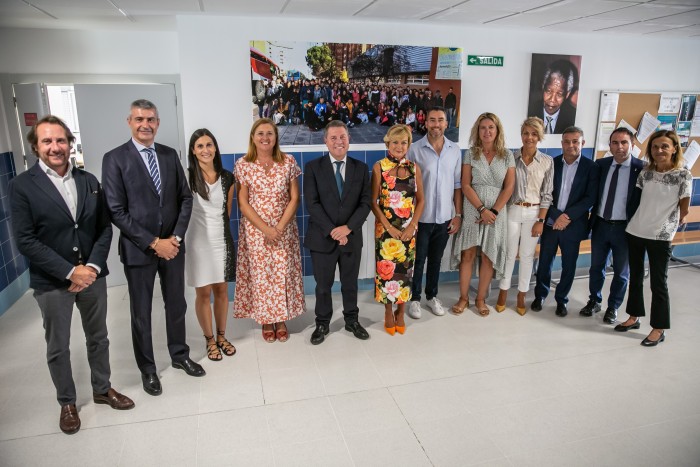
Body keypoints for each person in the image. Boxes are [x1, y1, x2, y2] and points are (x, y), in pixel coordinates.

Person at [10, 116, 134, 435]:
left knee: (98, 337)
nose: (55, 147)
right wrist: (69, 271)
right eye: (47, 141)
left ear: (70, 143)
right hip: (53, 282)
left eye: (61, 140)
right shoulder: (22, 186)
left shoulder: (89, 181)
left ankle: (102, 389)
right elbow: (25, 239)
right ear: (36, 147)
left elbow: (103, 228)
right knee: (58, 345)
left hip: (92, 277)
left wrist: (90, 267)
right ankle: (67, 401)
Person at [103, 99, 203, 398]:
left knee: (176, 305)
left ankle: (180, 354)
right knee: (141, 313)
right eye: (139, 119)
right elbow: (115, 210)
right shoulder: (115, 158)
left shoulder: (169, 155)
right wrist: (152, 242)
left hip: (172, 247)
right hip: (139, 250)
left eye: (151, 119)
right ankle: (147, 369)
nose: (145, 124)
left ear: (158, 123)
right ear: (129, 122)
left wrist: (175, 238)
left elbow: (186, 198)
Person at [614, 130, 691, 346]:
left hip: (661, 235)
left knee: (658, 283)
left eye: (665, 146)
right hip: (637, 230)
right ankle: (633, 317)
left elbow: (683, 209)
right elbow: (636, 202)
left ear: (674, 148)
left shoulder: (683, 175)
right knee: (635, 277)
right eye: (655, 147)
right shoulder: (645, 173)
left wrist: (675, 222)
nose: (659, 151)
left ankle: (659, 328)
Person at [233, 118, 305, 342]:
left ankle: (281, 318)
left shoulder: (288, 162)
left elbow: (295, 197)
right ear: (253, 138)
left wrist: (279, 227)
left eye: (270, 134)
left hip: (284, 228)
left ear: (276, 137)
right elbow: (242, 202)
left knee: (282, 273)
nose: (265, 138)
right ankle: (266, 320)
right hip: (256, 232)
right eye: (260, 134)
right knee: (262, 275)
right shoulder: (243, 164)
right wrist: (265, 229)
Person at [304, 121, 372, 345]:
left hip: (351, 237)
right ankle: (322, 322)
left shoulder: (361, 168)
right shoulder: (313, 168)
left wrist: (348, 228)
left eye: (342, 137)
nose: (338, 142)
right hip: (322, 238)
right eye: (333, 138)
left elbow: (365, 203)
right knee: (323, 285)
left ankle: (352, 320)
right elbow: (312, 204)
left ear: (349, 139)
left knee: (350, 283)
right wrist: (333, 231)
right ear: (325, 141)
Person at [451, 112, 515, 316]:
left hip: (497, 212)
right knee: (467, 253)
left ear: (497, 131)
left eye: (491, 127)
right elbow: (466, 184)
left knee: (488, 255)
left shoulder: (507, 155)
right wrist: (481, 209)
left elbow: (509, 187)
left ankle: (480, 299)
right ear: (477, 131)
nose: (487, 131)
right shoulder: (470, 153)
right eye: (483, 128)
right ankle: (463, 298)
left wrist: (493, 211)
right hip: (473, 208)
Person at [532, 126, 599, 316]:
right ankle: (540, 295)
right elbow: (544, 193)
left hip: (573, 225)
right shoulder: (552, 164)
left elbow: (590, 198)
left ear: (582, 143)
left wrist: (567, 216)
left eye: (575, 141)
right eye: (567, 141)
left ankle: (562, 299)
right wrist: (555, 215)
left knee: (569, 265)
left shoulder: (591, 167)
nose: (571, 145)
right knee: (545, 262)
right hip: (552, 222)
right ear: (561, 144)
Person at [580, 127, 644, 324]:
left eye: (624, 143)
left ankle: (613, 306)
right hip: (601, 224)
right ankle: (594, 300)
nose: (620, 147)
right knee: (596, 267)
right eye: (615, 143)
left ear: (632, 145)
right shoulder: (601, 165)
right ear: (609, 146)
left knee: (621, 272)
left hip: (625, 229)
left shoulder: (641, 169)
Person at [185, 129, 237, 361]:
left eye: (209, 145)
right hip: (198, 242)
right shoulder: (187, 177)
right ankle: (209, 340)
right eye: (200, 146)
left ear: (215, 148)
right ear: (193, 152)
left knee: (222, 291)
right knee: (203, 293)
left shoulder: (227, 177)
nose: (205, 150)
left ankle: (222, 336)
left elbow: (227, 212)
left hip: (221, 241)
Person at [406, 107, 462, 320]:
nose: (436, 124)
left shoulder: (454, 150)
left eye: (440, 120)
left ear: (446, 123)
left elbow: (457, 185)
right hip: (422, 217)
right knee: (418, 260)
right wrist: (411, 219)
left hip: (444, 217)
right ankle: (415, 299)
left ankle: (431, 296)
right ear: (426, 123)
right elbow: (408, 186)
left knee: (436, 260)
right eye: (432, 120)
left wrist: (457, 215)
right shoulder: (414, 149)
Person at [496, 117, 554, 315]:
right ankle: (503, 292)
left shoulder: (547, 162)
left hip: (534, 213)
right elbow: (504, 187)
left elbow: (547, 194)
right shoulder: (510, 158)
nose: (529, 137)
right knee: (510, 253)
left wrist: (540, 220)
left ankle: (521, 294)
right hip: (513, 210)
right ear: (521, 134)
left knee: (528, 256)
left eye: (533, 133)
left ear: (540, 136)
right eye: (526, 133)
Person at [371, 124, 424, 334]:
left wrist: (412, 226)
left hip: (408, 231)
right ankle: (387, 311)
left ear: (409, 144)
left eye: (404, 142)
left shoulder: (414, 168)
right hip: (385, 231)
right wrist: (387, 227)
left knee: (404, 272)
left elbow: (421, 201)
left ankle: (400, 312)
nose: (399, 146)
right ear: (388, 143)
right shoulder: (379, 167)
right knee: (387, 273)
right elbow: (373, 202)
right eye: (395, 142)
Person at [527, 59, 578, 134]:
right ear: (543, 87)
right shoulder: (530, 112)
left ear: (567, 95)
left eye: (559, 94)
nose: (552, 100)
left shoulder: (572, 118)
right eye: (548, 91)